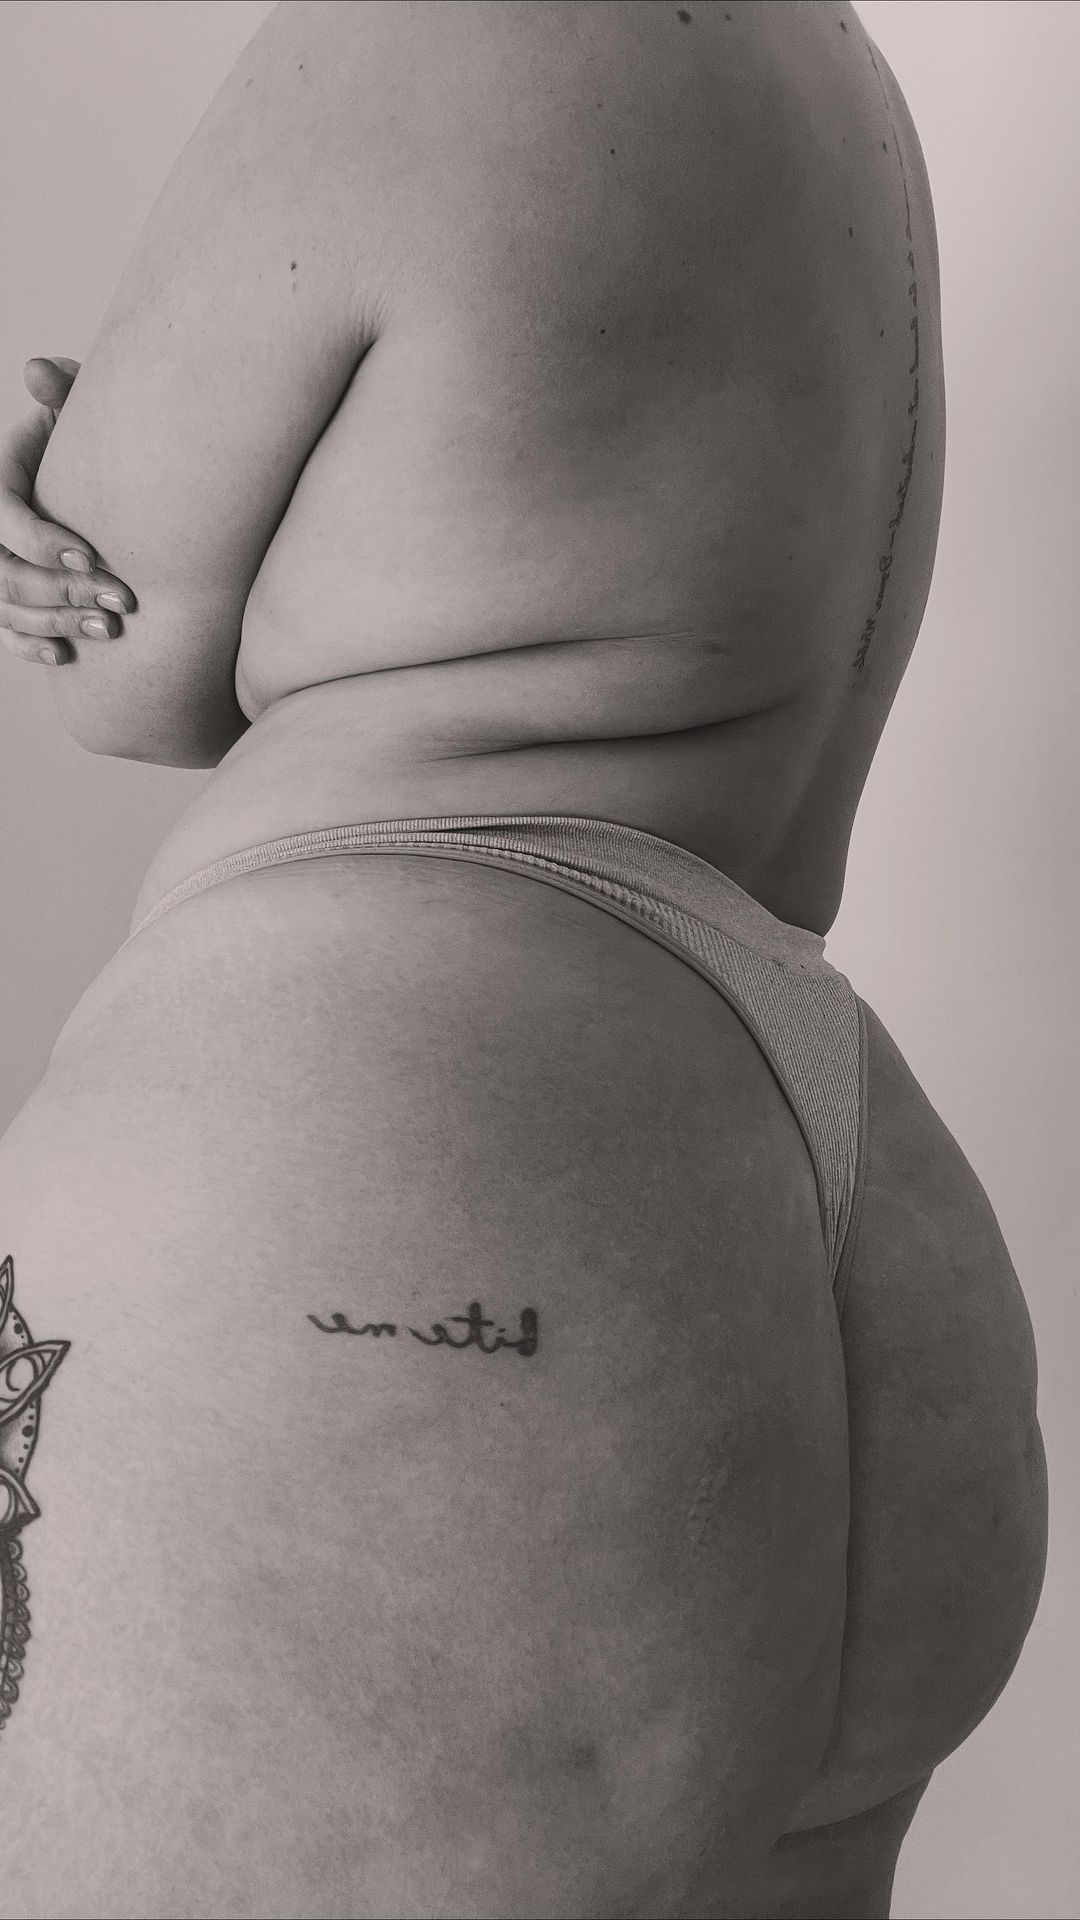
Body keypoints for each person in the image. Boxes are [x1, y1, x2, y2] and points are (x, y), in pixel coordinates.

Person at [0, 5, 1048, 1917]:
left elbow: (122, 669)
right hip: (838, 1192)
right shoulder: (837, 81)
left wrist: (51, 465)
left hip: (437, 1135)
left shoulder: (412, 32)